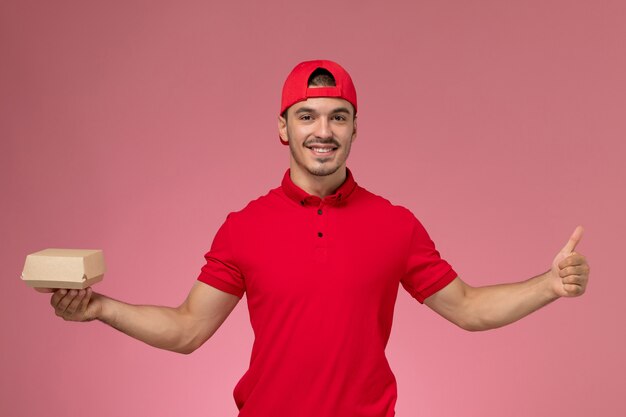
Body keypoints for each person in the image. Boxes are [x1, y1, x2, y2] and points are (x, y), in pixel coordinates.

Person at [42, 60, 590, 417]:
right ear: (284, 128)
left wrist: (550, 285)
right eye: (306, 116)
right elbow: (187, 330)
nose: (322, 131)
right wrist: (100, 309)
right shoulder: (245, 226)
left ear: (355, 126)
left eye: (337, 117)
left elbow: (468, 308)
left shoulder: (394, 224)